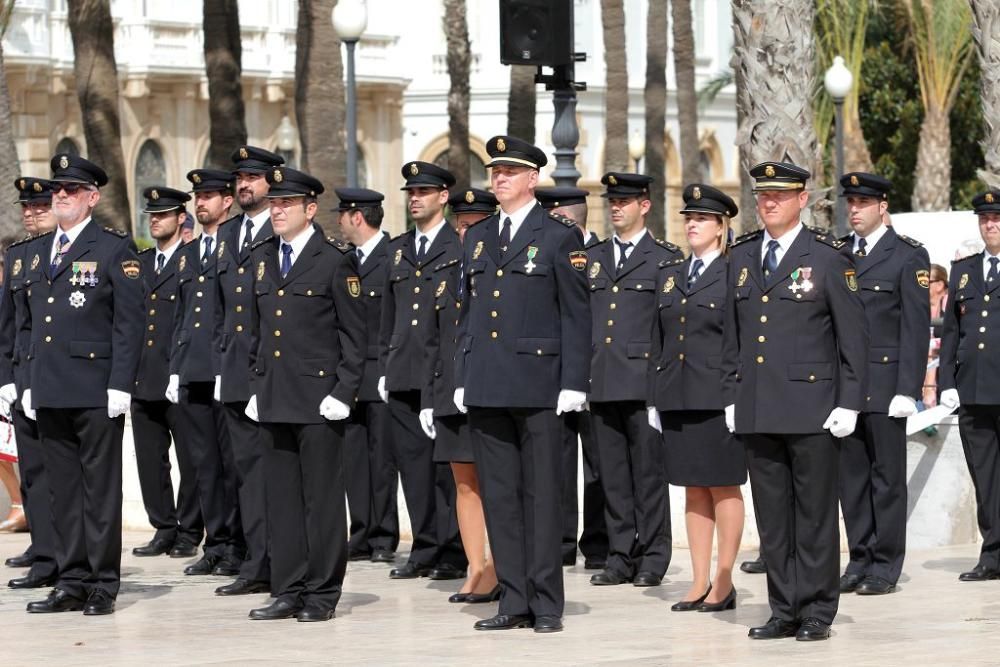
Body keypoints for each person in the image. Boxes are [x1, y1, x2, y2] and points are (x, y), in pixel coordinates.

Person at [721, 161, 867, 641]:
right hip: (759, 408)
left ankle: (817, 610)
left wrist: (849, 402)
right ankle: (783, 608)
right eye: (763, 196)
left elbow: (853, 339)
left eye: (779, 196)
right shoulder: (741, 258)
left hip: (812, 409)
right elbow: (731, 336)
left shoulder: (827, 257)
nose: (768, 203)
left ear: (802, 200)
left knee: (815, 516)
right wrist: (730, 394)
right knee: (774, 520)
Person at [455, 135, 591, 633]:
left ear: (533, 179)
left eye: (510, 171)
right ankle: (512, 599)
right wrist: (462, 373)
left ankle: (546, 602)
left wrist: (574, 381)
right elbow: (468, 313)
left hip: (539, 385)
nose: (500, 178)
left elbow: (577, 315)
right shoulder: (479, 236)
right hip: (488, 383)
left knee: (541, 497)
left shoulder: (558, 236)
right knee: (500, 497)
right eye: (495, 171)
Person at [21, 154, 144, 615]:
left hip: (95, 388)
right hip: (50, 386)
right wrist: (29, 379)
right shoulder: (38, 252)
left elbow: (129, 325)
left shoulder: (113, 249)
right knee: (63, 490)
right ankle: (70, 579)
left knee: (99, 491)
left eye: (71, 190)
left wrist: (120, 385)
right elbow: (33, 323)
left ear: (92, 197)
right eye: (57, 189)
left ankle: (101, 583)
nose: (60, 196)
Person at [244, 167, 364, 622]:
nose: (276, 210)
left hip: (319, 400)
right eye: (273, 203)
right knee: (283, 501)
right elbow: (256, 332)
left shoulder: (334, 260)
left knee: (322, 502)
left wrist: (343, 390)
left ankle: (321, 592)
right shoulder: (263, 257)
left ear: (310, 209)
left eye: (285, 204)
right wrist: (257, 383)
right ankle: (288, 587)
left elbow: (355, 336)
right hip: (275, 396)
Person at [650, 183, 746, 612]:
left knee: (724, 487)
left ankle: (724, 579)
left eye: (702, 218)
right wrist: (654, 396)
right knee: (691, 488)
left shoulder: (734, 273)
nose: (692, 224)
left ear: (722, 226)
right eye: (689, 218)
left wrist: (736, 395)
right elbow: (659, 338)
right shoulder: (669, 275)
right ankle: (699, 579)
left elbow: (741, 339)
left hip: (717, 395)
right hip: (677, 394)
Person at [836, 172, 929, 596]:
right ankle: (859, 557)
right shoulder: (838, 254)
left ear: (882, 206)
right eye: (850, 202)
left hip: (887, 384)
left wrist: (908, 389)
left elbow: (915, 327)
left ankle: (885, 564)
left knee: (887, 479)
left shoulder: (906, 256)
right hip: (845, 388)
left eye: (863, 203)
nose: (854, 209)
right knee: (850, 479)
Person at [586, 172, 678, 589]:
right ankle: (621, 554)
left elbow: (668, 327)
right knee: (613, 477)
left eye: (625, 201)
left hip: (643, 383)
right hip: (602, 380)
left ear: (645, 205)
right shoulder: (594, 257)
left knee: (648, 475)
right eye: (612, 201)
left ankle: (654, 555)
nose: (616, 207)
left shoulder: (664, 259)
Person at [379, 161, 466, 581]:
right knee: (412, 468)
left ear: (443, 197)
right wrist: (383, 365)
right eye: (411, 193)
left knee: (447, 467)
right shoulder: (397, 251)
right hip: (402, 371)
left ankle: (453, 548)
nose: (415, 199)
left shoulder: (460, 248)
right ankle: (425, 546)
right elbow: (387, 315)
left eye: (424, 192)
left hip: (442, 373)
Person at [422, 187, 500, 603]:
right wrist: (428, 398)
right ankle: (475, 566)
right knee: (464, 484)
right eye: (461, 224)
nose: (465, 231)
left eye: (474, 225)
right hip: (451, 391)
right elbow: (434, 342)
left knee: (497, 484)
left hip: (488, 388)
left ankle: (501, 567)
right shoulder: (448, 269)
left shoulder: (496, 269)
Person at [213, 147, 282, 596]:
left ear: (271, 182)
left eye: (253, 177)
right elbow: (223, 308)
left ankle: (280, 562)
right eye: (239, 177)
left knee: (273, 472)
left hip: (272, 373)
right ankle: (257, 561)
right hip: (235, 370)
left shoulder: (281, 233)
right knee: (246, 472)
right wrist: (221, 361)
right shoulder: (227, 233)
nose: (244, 185)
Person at [168, 171, 242, 579]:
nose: (201, 202)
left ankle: (238, 544)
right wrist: (175, 368)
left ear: (227, 201)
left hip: (223, 370)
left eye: (210, 195)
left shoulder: (236, 247)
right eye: (198, 196)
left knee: (232, 465)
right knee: (203, 465)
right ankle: (215, 543)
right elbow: (182, 316)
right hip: (193, 369)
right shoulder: (188, 253)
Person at [535, 186, 608, 570]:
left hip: (600, 374)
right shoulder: (548, 251)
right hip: (556, 375)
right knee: (559, 462)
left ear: (566, 216)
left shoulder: (602, 255)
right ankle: (562, 543)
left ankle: (599, 544)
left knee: (599, 464)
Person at [130, 187, 203, 559]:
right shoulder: (140, 263)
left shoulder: (192, 260)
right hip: (144, 377)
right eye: (152, 215)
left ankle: (190, 531)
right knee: (149, 459)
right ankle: (164, 526)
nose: (156, 220)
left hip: (178, 376)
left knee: (190, 459)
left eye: (164, 214)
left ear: (180, 219)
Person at [0, 177, 58, 588]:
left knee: (67, 474)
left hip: (66, 380)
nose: (30, 214)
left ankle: (73, 553)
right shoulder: (18, 257)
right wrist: (6, 379)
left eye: (39, 207)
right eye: (27, 208)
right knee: (34, 471)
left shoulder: (74, 254)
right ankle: (43, 550)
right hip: (25, 380)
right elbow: (8, 327)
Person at [940, 188, 1000, 582]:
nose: (990, 225)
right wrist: (947, 381)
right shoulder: (963, 271)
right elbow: (951, 332)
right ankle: (992, 553)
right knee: (985, 476)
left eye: (996, 219)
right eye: (984, 219)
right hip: (974, 391)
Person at [336, 188, 399, 564]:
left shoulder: (391, 257)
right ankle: (360, 533)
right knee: (353, 461)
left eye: (343, 214)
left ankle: (383, 536)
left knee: (381, 461)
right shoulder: (346, 261)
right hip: (349, 376)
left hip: (379, 373)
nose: (340, 222)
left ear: (357, 216)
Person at [923, 263, 948, 408]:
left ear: (939, 285)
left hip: (942, 391)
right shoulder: (913, 315)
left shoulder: (950, 317)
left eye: (926, 281)